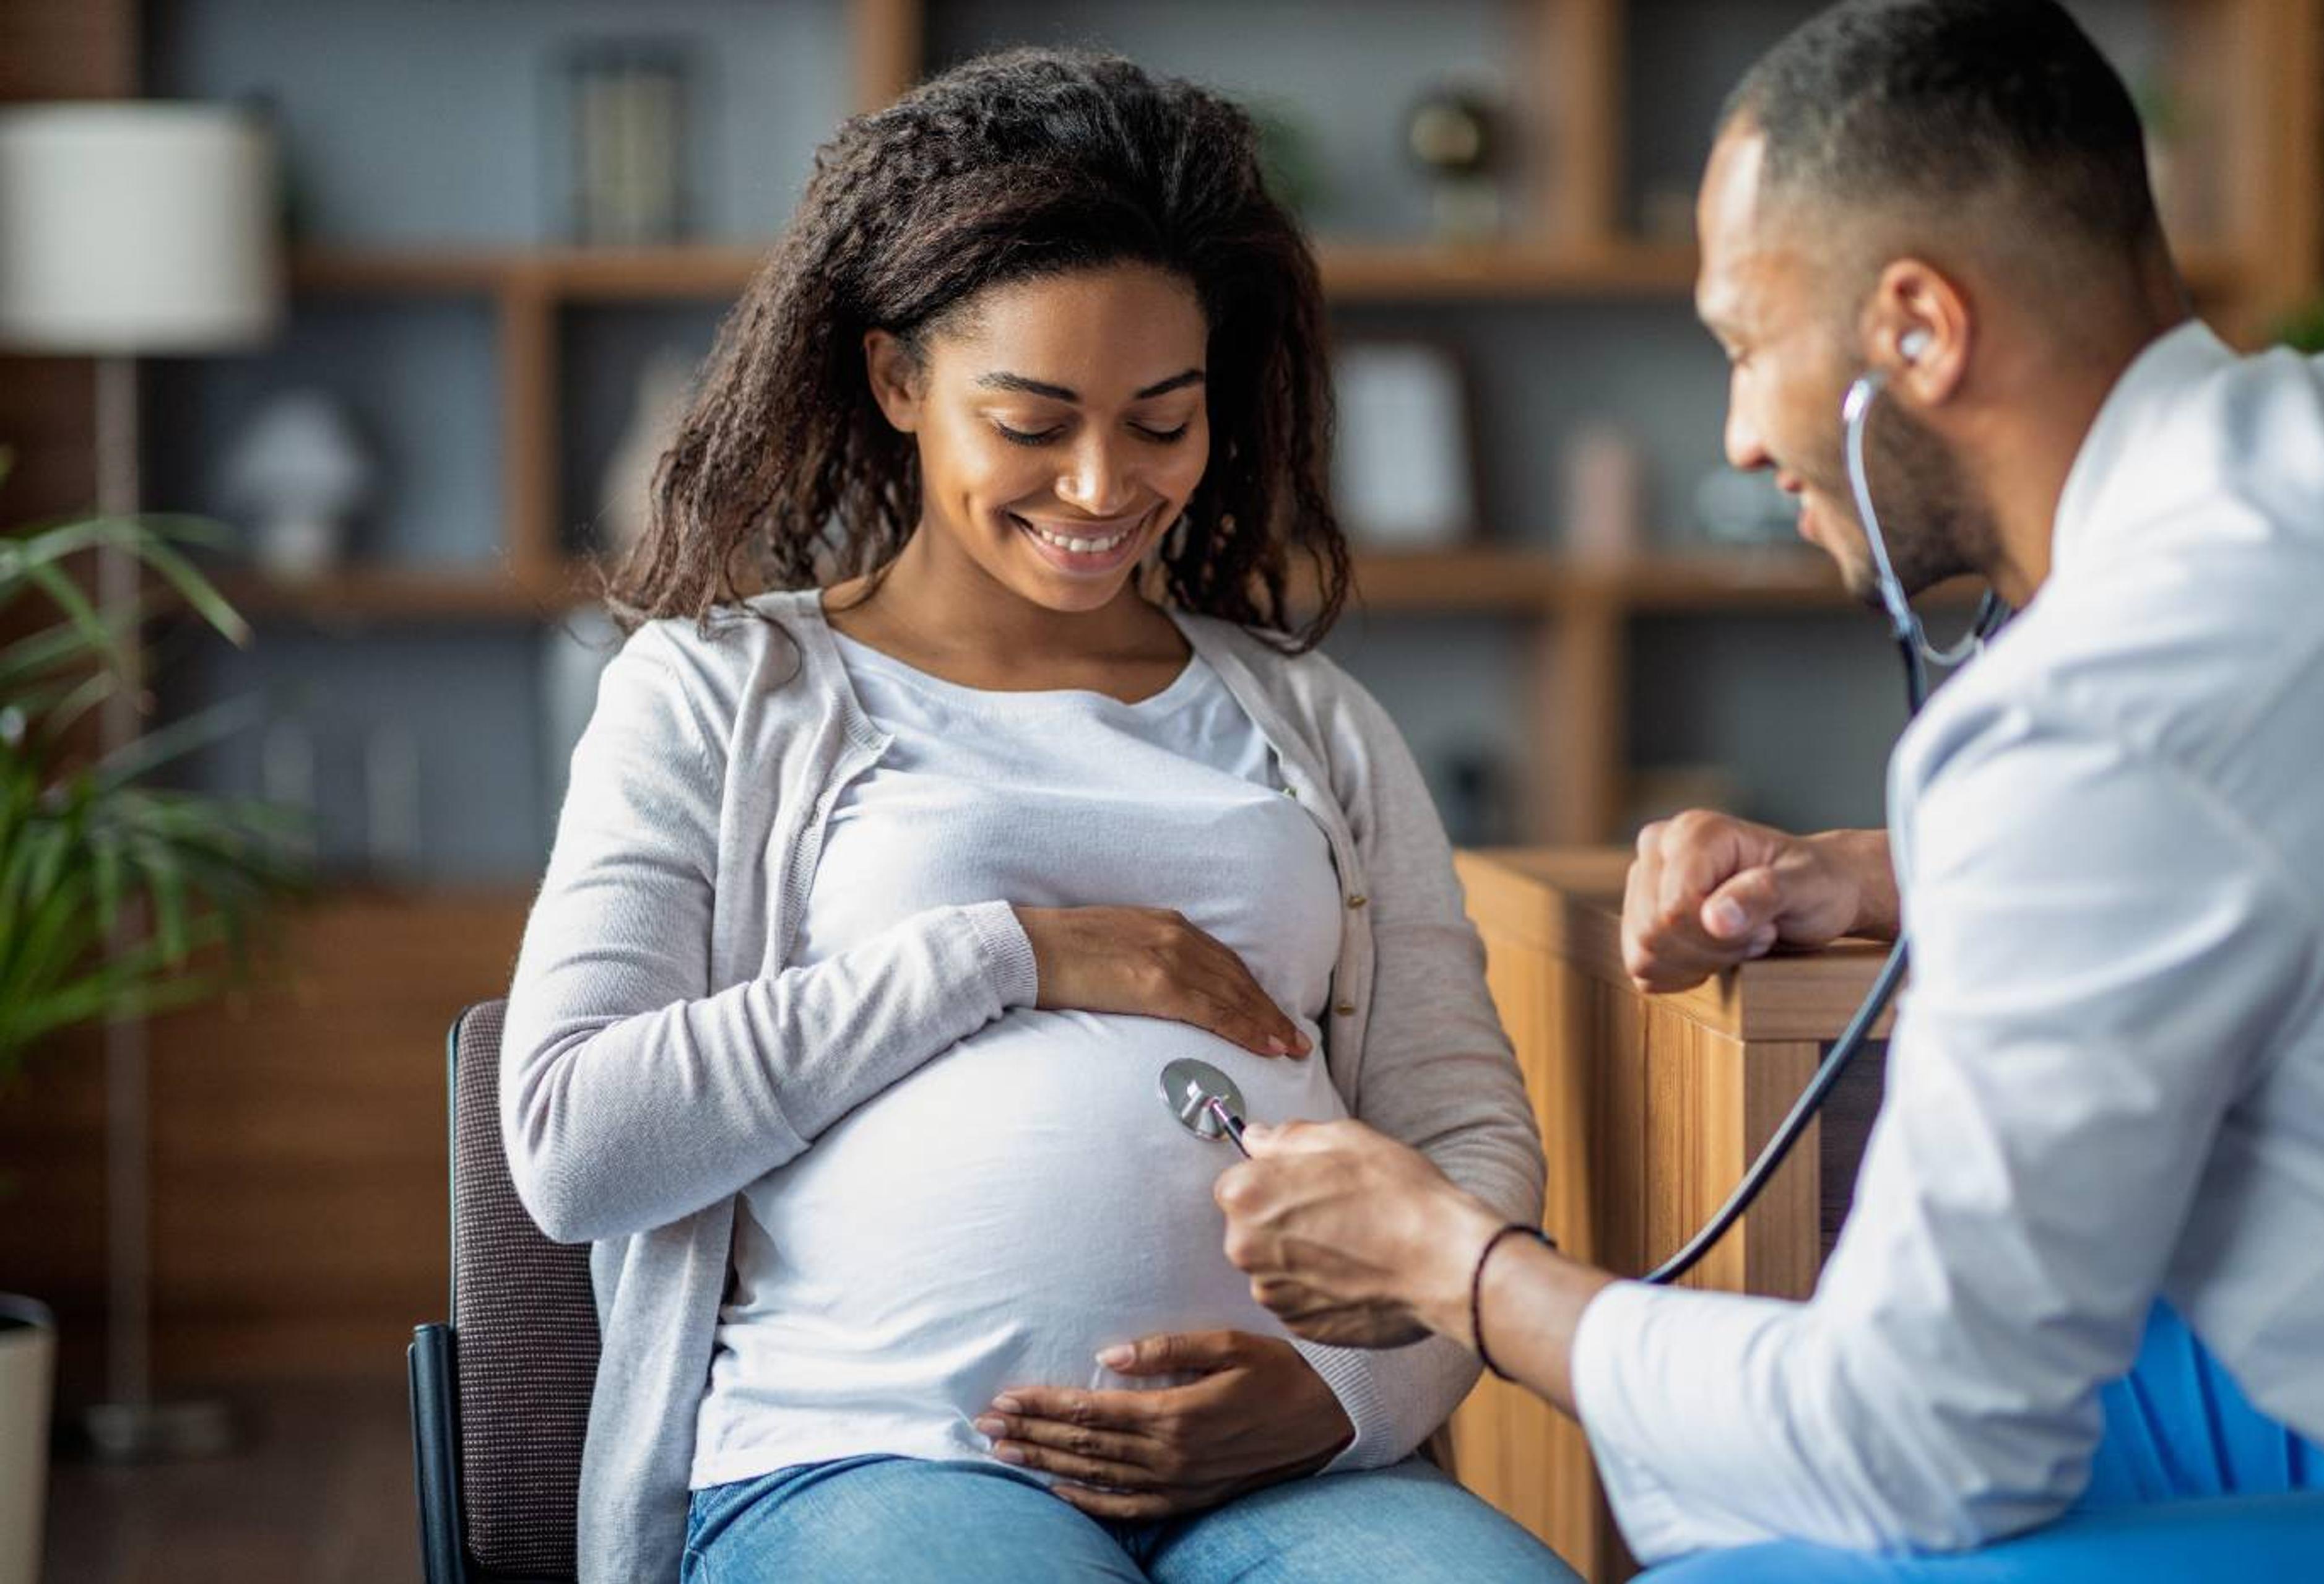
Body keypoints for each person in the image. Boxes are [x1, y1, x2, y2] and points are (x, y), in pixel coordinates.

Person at [1211, 1, 2324, 1575]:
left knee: (1724, 1538)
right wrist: (1891, 869)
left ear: (1916, 328)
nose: (1744, 435)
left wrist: (1456, 1267)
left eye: (1747, 348)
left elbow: (1918, 1445)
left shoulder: (2092, 720)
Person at [501, 48, 1577, 1584]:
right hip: (869, 1457)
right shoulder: (720, 692)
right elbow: (574, 1138)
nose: (1101, 482)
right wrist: (1010, 952)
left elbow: (1459, 1128)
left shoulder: (1311, 716)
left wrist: (1346, 1396)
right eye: (1034, 418)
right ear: (897, 381)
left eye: (1160, 420)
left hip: (1297, 1477)